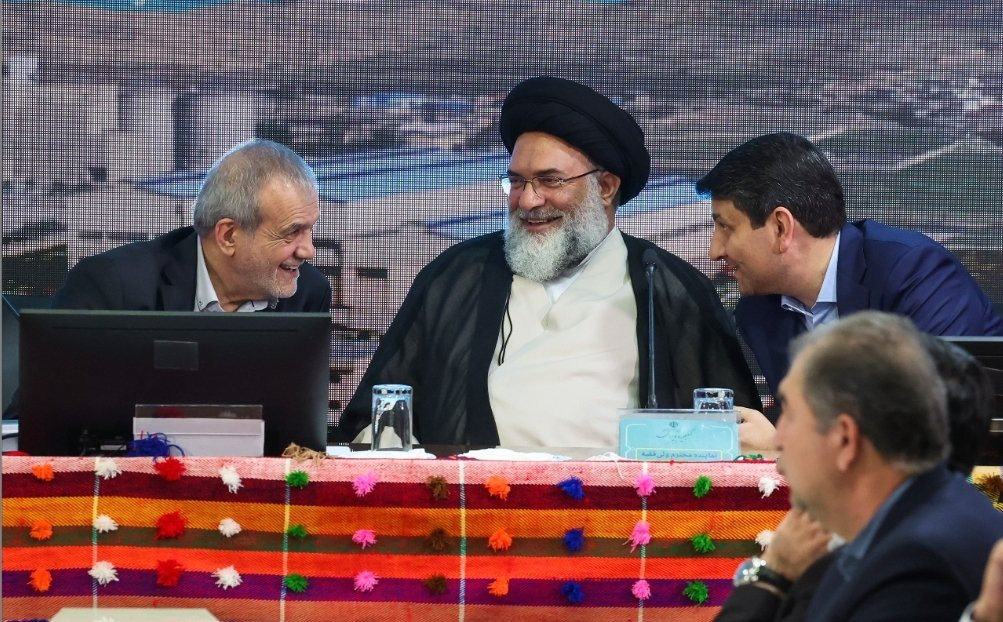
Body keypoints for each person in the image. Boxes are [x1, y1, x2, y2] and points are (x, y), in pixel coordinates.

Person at [332, 76, 760, 448]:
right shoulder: (457, 276)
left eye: (549, 181)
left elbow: (736, 439)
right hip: (477, 507)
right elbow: (377, 420)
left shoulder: (669, 289)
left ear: (606, 187)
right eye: (517, 182)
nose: (528, 200)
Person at [695, 132, 1002, 402]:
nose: (714, 252)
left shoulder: (912, 271)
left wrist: (782, 440)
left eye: (726, 228)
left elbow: (937, 415)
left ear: (780, 227)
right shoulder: (759, 312)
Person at [717, 331, 998, 622]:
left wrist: (772, 573)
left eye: (790, 413)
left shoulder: (915, 561)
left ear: (846, 439)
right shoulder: (884, 526)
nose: (777, 439)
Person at [51, 139, 331, 312]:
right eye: (292, 233)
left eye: (310, 229)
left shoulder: (308, 292)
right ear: (229, 236)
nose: (309, 251)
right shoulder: (112, 287)